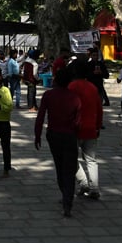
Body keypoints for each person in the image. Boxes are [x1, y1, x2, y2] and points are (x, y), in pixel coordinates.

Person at [34, 68, 81, 218]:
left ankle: (64, 194)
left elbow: (41, 117)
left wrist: (37, 135)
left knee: (59, 166)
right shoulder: (75, 98)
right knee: (70, 168)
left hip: (53, 134)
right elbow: (78, 121)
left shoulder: (48, 95)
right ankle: (68, 200)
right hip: (70, 135)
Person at [69, 61, 103, 199]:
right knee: (91, 160)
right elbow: (99, 109)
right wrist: (98, 125)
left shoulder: (71, 87)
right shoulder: (92, 87)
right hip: (90, 127)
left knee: (71, 158)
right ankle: (94, 188)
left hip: (74, 129)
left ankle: (83, 183)